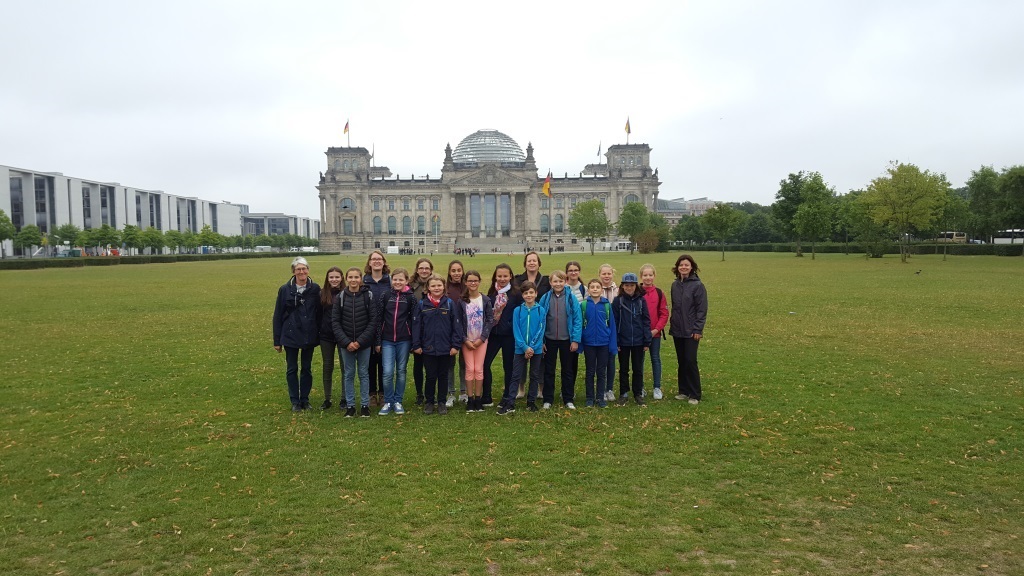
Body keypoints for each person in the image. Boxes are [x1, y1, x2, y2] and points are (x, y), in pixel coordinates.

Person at [272, 257, 322, 412]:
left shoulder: (315, 289)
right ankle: (295, 400)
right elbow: (278, 314)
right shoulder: (285, 289)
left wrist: (320, 334)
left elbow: (319, 313)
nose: (302, 272)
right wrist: (277, 340)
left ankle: (305, 399)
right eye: (298, 269)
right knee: (292, 368)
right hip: (290, 334)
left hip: (309, 333)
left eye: (304, 268)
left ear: (308, 270)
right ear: (293, 272)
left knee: (306, 368)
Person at [331, 267, 379, 418]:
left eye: (356, 277)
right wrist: (346, 342)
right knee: (349, 374)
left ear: (360, 279)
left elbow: (373, 321)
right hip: (346, 345)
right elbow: (335, 322)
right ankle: (350, 406)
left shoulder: (368, 296)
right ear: (346, 279)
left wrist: (359, 341)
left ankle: (365, 405)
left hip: (363, 344)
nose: (353, 280)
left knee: (364, 374)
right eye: (350, 277)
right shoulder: (340, 297)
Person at [413, 274, 463, 415]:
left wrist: (455, 345)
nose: (436, 288)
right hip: (428, 348)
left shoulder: (449, 304)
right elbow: (417, 326)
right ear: (428, 288)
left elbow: (456, 326)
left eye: (439, 285)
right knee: (430, 376)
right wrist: (416, 345)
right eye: (433, 286)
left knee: (443, 376)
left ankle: (441, 401)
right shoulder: (422, 304)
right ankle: (429, 401)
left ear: (444, 287)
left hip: (445, 348)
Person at [498, 281, 546, 415]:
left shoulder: (541, 310)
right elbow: (516, 330)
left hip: (535, 349)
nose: (529, 295)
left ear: (536, 293)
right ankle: (510, 403)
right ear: (522, 295)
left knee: (534, 375)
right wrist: (524, 347)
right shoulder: (518, 311)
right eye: (526, 293)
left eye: (531, 292)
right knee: (516, 376)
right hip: (520, 349)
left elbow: (541, 329)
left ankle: (531, 402)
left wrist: (532, 347)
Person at [376, 267, 417, 416]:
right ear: (391, 280)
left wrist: (413, 341)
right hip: (387, 340)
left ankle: (398, 400)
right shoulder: (385, 295)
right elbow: (379, 318)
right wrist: (378, 341)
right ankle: (388, 401)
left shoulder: (411, 297)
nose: (398, 282)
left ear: (406, 281)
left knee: (401, 371)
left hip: (404, 340)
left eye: (401, 279)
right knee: (387, 372)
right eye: (395, 279)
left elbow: (414, 320)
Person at [539, 270, 582, 410]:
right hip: (550, 340)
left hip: (567, 340)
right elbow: (540, 321)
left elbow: (577, 319)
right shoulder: (545, 298)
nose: (558, 284)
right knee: (549, 370)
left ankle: (568, 398)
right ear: (551, 283)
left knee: (567, 370)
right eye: (555, 281)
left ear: (565, 282)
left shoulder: (571, 298)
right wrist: (542, 341)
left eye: (560, 281)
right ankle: (548, 399)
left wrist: (575, 339)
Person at [669, 254, 708, 405]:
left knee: (691, 360)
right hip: (678, 329)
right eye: (681, 265)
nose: (683, 267)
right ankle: (683, 390)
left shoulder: (697, 286)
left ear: (692, 267)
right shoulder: (675, 285)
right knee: (682, 361)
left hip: (691, 330)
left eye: (686, 265)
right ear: (677, 267)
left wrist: (698, 329)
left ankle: (695, 394)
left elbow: (701, 309)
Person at [483, 263, 522, 407]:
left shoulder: (516, 294)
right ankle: (486, 395)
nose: (502, 279)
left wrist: (511, 325)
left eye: (505, 276)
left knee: (508, 367)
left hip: (509, 335)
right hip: (493, 334)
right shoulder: (492, 292)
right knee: (485, 363)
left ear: (510, 276)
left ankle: (507, 396)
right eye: (499, 276)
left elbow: (520, 313)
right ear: (495, 276)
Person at [613, 272, 651, 406]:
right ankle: (623, 393)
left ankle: (638, 393)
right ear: (622, 286)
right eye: (626, 285)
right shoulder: (618, 301)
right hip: (623, 341)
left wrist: (647, 340)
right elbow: (615, 321)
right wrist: (616, 341)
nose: (629, 288)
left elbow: (646, 320)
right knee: (623, 368)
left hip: (639, 341)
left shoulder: (641, 300)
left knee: (638, 368)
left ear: (636, 286)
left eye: (632, 285)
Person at [458, 270, 493, 413]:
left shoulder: (485, 300)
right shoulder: (461, 301)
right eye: (470, 281)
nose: (473, 283)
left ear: (479, 282)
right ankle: (470, 398)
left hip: (481, 341)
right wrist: (465, 340)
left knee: (478, 369)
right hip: (467, 341)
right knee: (469, 369)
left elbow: (490, 320)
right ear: (466, 282)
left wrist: (482, 338)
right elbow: (458, 322)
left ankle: (478, 398)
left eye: (475, 281)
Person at [580, 278, 617, 408]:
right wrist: (580, 344)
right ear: (588, 290)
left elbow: (612, 326)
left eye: (597, 287)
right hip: (589, 343)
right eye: (592, 287)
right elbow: (580, 325)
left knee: (601, 372)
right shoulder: (584, 305)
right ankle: (590, 398)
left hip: (603, 344)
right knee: (590, 371)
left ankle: (600, 397)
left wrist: (612, 346)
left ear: (602, 290)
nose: (595, 289)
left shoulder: (607, 305)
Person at [363, 250, 391, 408]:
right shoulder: (363, 281)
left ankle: (383, 393)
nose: (376, 261)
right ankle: (372, 393)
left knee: (383, 362)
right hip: (367, 326)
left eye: (379, 259)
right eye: (373, 259)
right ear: (369, 263)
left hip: (386, 326)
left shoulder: (391, 281)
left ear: (384, 262)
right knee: (369, 362)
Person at [640, 263, 669, 400]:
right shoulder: (637, 291)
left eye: (650, 275)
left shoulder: (659, 293)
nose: (648, 277)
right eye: (645, 275)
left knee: (655, 359)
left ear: (654, 276)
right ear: (641, 276)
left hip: (655, 333)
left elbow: (664, 313)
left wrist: (656, 329)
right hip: (640, 334)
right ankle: (640, 387)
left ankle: (657, 387)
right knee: (639, 361)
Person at [318, 266, 345, 411]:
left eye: (337, 277)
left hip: (342, 336)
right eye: (331, 277)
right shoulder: (322, 294)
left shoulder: (346, 293)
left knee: (344, 367)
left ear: (341, 278)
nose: (334, 279)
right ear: (328, 279)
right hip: (326, 336)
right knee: (327, 367)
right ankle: (327, 398)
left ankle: (344, 398)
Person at [409, 257, 434, 405]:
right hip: (416, 330)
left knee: (432, 365)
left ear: (431, 270)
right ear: (417, 270)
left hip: (432, 331)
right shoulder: (410, 286)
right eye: (421, 268)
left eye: (427, 268)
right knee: (418, 364)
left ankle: (431, 392)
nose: (424, 271)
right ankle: (420, 393)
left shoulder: (436, 284)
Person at [445, 260, 468, 407]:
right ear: (449, 272)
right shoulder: (445, 288)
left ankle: (464, 391)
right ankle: (451, 393)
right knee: (450, 364)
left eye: (459, 270)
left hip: (466, 330)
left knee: (464, 363)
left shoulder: (468, 287)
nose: (456, 273)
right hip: (449, 330)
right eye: (453, 271)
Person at [597, 264, 619, 402]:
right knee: (600, 363)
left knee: (611, 360)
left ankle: (609, 389)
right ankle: (600, 388)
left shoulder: (618, 291)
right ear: (600, 275)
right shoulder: (595, 289)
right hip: (599, 331)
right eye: (604, 273)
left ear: (612, 274)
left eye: (608, 273)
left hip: (613, 329)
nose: (606, 276)